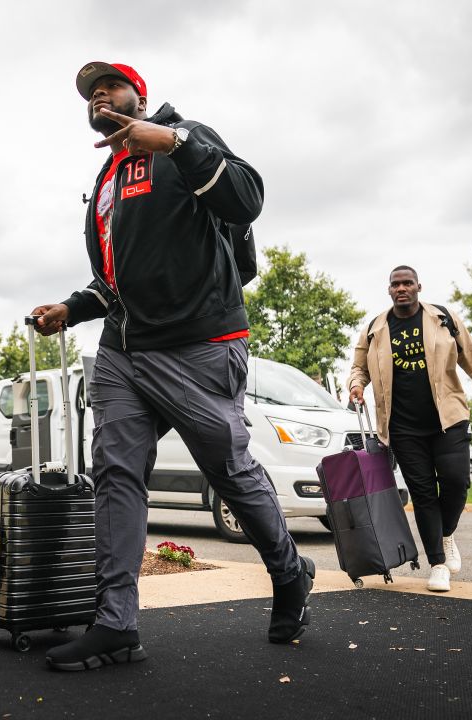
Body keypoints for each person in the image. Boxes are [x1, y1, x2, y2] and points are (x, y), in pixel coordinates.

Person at [30, 61, 315, 672]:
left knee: (229, 470)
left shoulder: (182, 134)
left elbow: (247, 200)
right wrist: (72, 307)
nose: (100, 95)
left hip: (199, 344)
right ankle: (115, 623)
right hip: (123, 353)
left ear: (141, 96)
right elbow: (115, 278)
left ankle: (291, 572)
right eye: (91, 92)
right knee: (116, 473)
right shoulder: (106, 180)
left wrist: (179, 142)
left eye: (111, 86)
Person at [347, 266, 472, 593]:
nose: (401, 288)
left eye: (407, 283)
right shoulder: (376, 328)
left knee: (457, 482)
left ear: (419, 286)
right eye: (395, 284)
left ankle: (446, 533)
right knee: (422, 496)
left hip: (448, 421)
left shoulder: (443, 319)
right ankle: (437, 563)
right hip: (402, 428)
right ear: (389, 290)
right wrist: (355, 385)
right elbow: (358, 368)